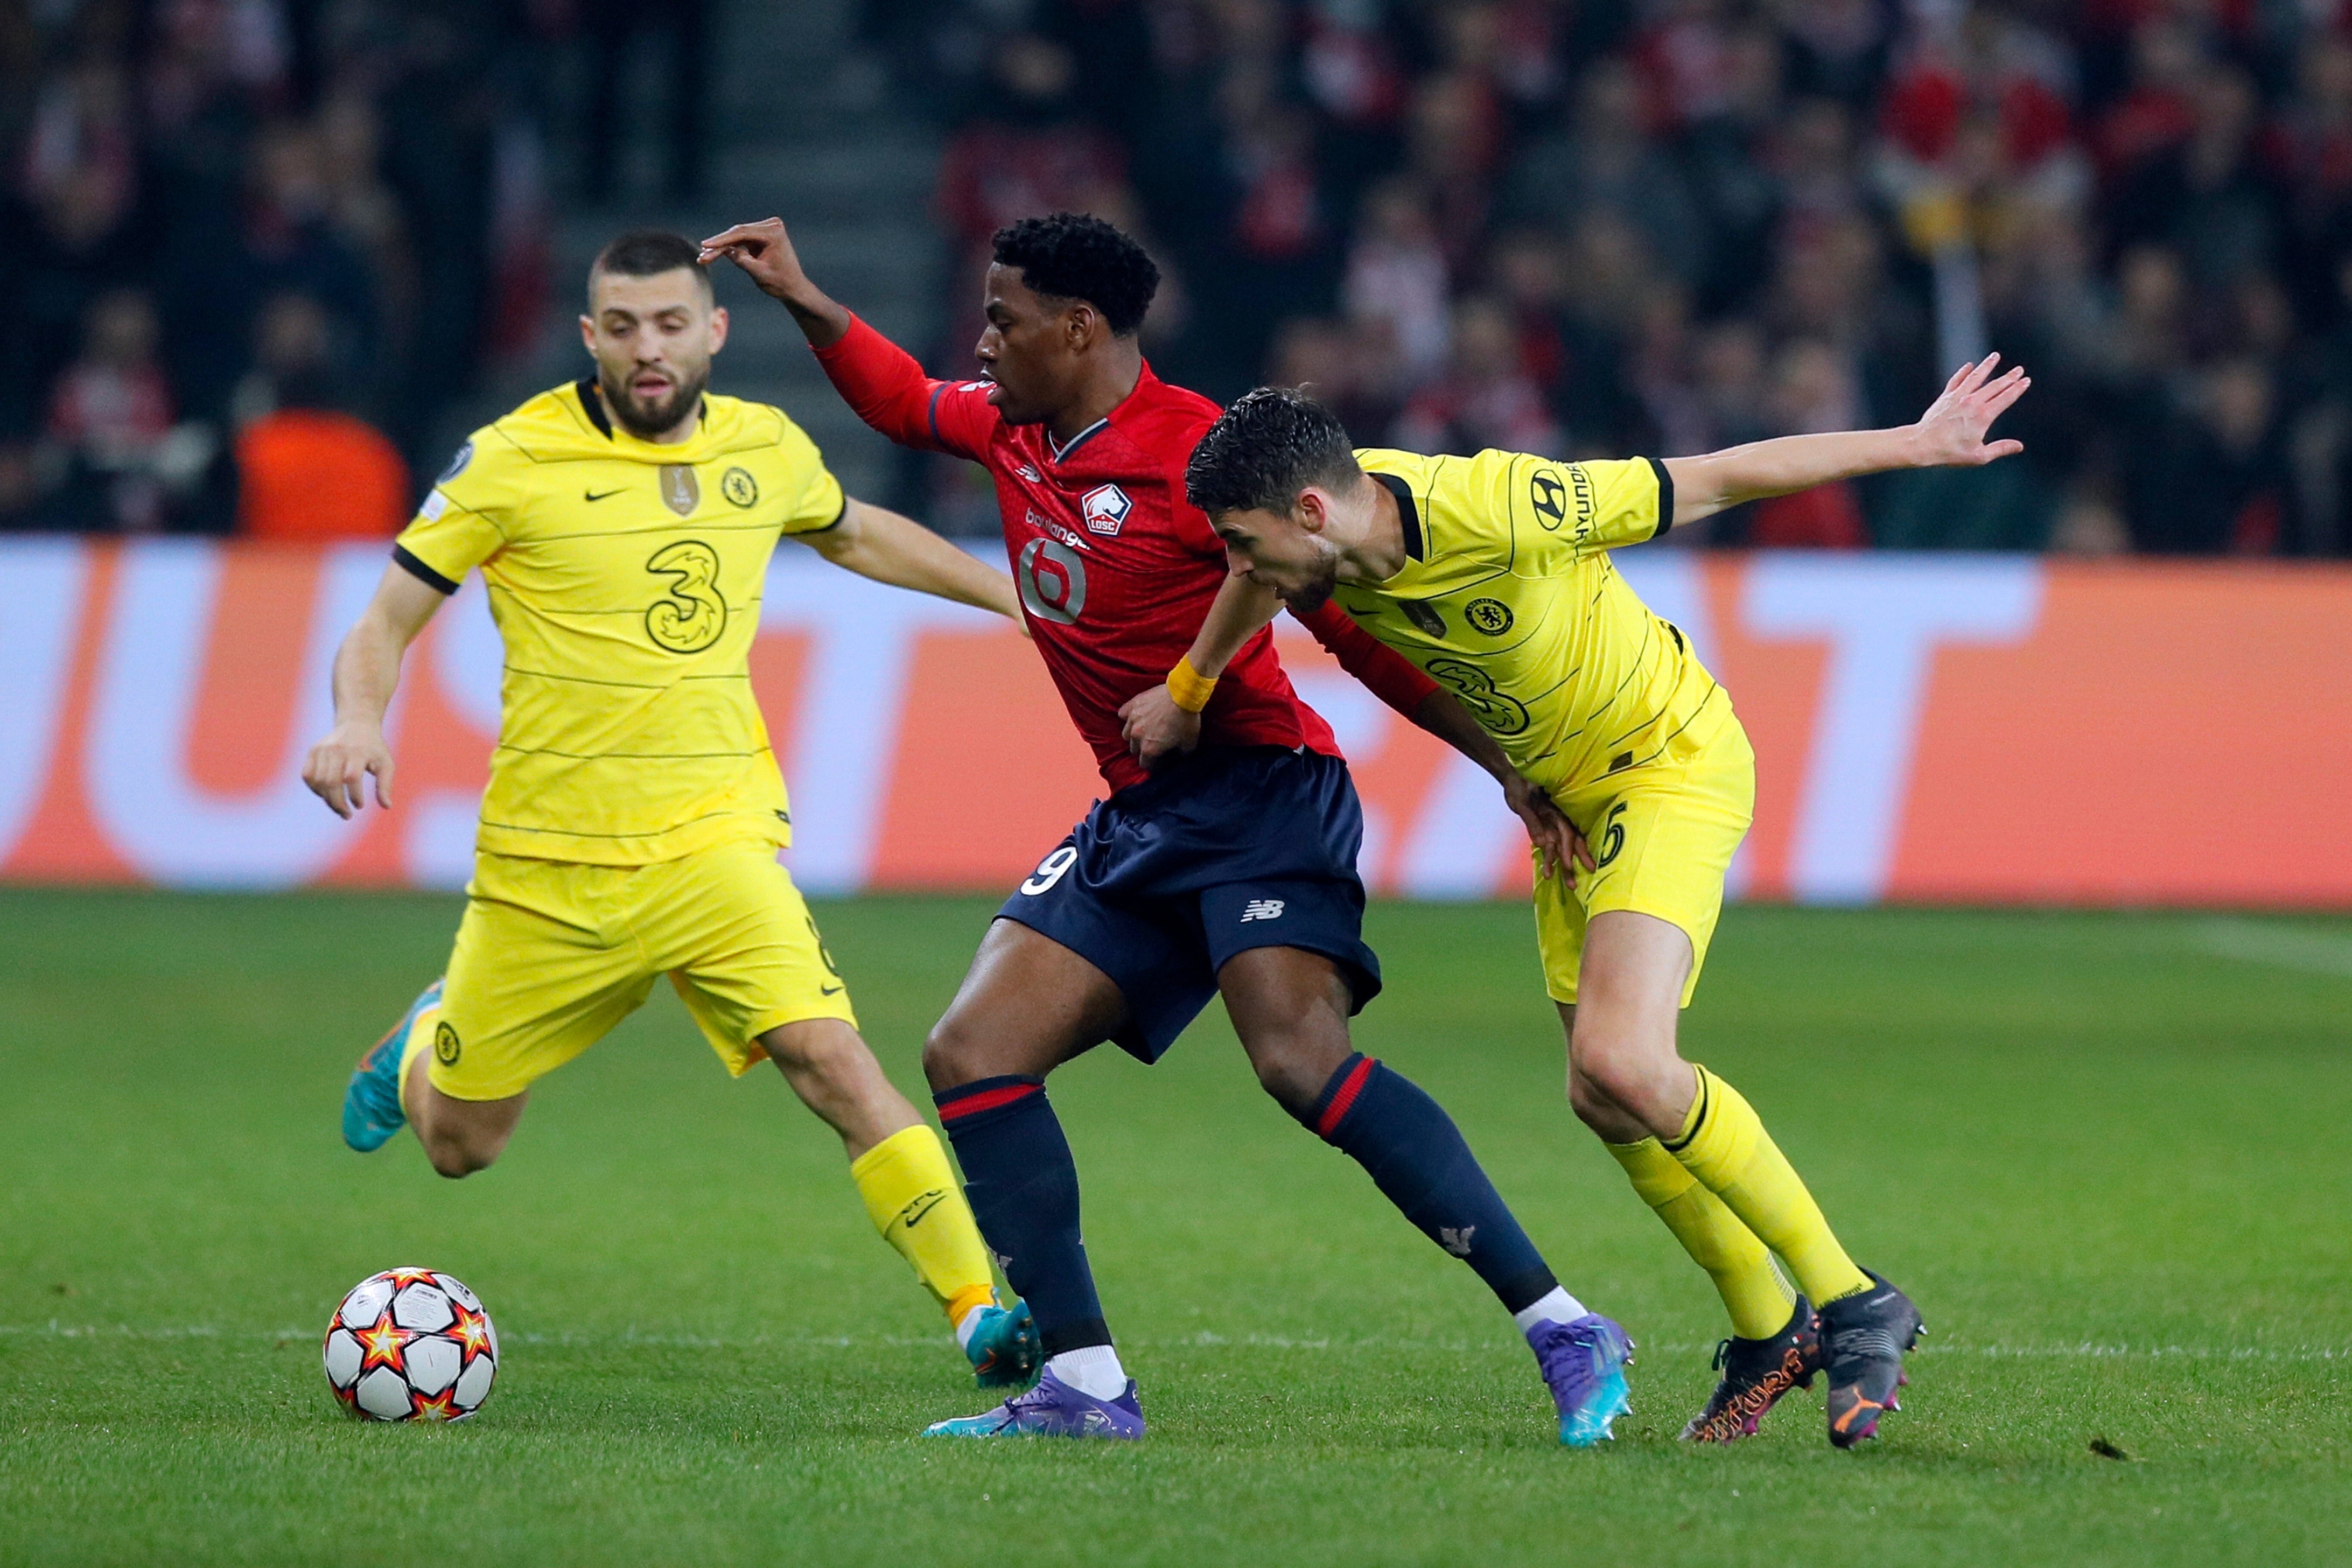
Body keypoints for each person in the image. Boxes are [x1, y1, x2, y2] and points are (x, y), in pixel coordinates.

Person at [702, 211, 1630, 1445]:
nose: (983, 341)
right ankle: (1085, 1387)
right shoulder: (1010, 427)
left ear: (1078, 328)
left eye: (1004, 318)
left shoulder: (1196, 456)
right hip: (1142, 814)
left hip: (1260, 796)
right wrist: (805, 296)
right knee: (972, 1054)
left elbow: (1349, 634)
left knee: (1299, 1063)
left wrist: (1503, 768)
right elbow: (900, 402)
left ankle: (1563, 1323)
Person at [1158, 355, 2034, 1448]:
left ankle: (1852, 1298)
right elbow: (1254, 579)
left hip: (1666, 764)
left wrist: (1914, 442)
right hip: (1568, 803)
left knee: (1627, 1060)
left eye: (1246, 540)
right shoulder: (1326, 530)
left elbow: (1712, 477)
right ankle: (1772, 1330)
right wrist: (1192, 685)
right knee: (1604, 1095)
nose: (1238, 567)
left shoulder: (1507, 506)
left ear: (1310, 512)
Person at [302, 229, 1041, 1391]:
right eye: (625, 326)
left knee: (834, 1060)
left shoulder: (765, 446)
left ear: (713, 332)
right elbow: (387, 617)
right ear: (592, 335)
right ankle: (418, 1049)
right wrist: (356, 719)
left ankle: (977, 1310)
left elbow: (851, 529)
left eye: (670, 324)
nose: (650, 349)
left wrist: (1012, 597)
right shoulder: (511, 458)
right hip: (549, 867)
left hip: (717, 844)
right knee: (461, 1146)